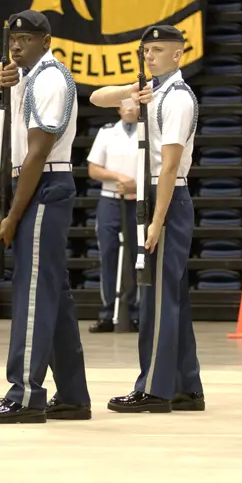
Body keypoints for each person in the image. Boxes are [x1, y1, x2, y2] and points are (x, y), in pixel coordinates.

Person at [0, 9, 91, 423]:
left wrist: (12, 215)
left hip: (43, 184)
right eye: (13, 39)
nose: (17, 46)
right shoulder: (21, 75)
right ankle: (73, 396)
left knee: (32, 292)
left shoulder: (48, 79)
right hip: (30, 183)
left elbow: (38, 153)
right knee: (52, 291)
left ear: (46, 41)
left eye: (26, 39)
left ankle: (25, 394)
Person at [90, 25, 205, 414]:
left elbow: (170, 166)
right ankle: (187, 387)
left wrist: (157, 221)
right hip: (155, 191)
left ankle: (154, 388)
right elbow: (96, 97)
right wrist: (131, 90)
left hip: (165, 195)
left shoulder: (178, 97)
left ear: (178, 54)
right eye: (146, 51)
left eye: (157, 50)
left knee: (156, 297)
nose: (149, 56)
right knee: (171, 297)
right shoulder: (152, 90)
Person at [86, 100, 140, 333]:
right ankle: (108, 312)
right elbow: (93, 169)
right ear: (118, 108)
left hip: (137, 199)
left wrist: (136, 185)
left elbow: (157, 168)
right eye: (125, 104)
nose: (129, 108)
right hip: (110, 199)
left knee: (137, 255)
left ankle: (135, 313)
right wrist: (118, 177)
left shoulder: (149, 131)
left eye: (134, 104)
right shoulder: (107, 132)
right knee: (108, 254)